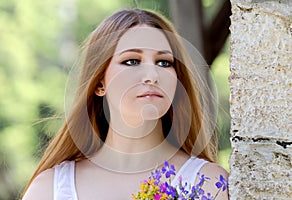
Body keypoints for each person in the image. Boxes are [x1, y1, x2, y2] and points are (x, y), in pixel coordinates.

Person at [22, 8, 229, 200]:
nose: (152, 75)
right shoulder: (49, 189)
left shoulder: (209, 184)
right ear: (99, 82)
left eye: (164, 62)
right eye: (132, 61)